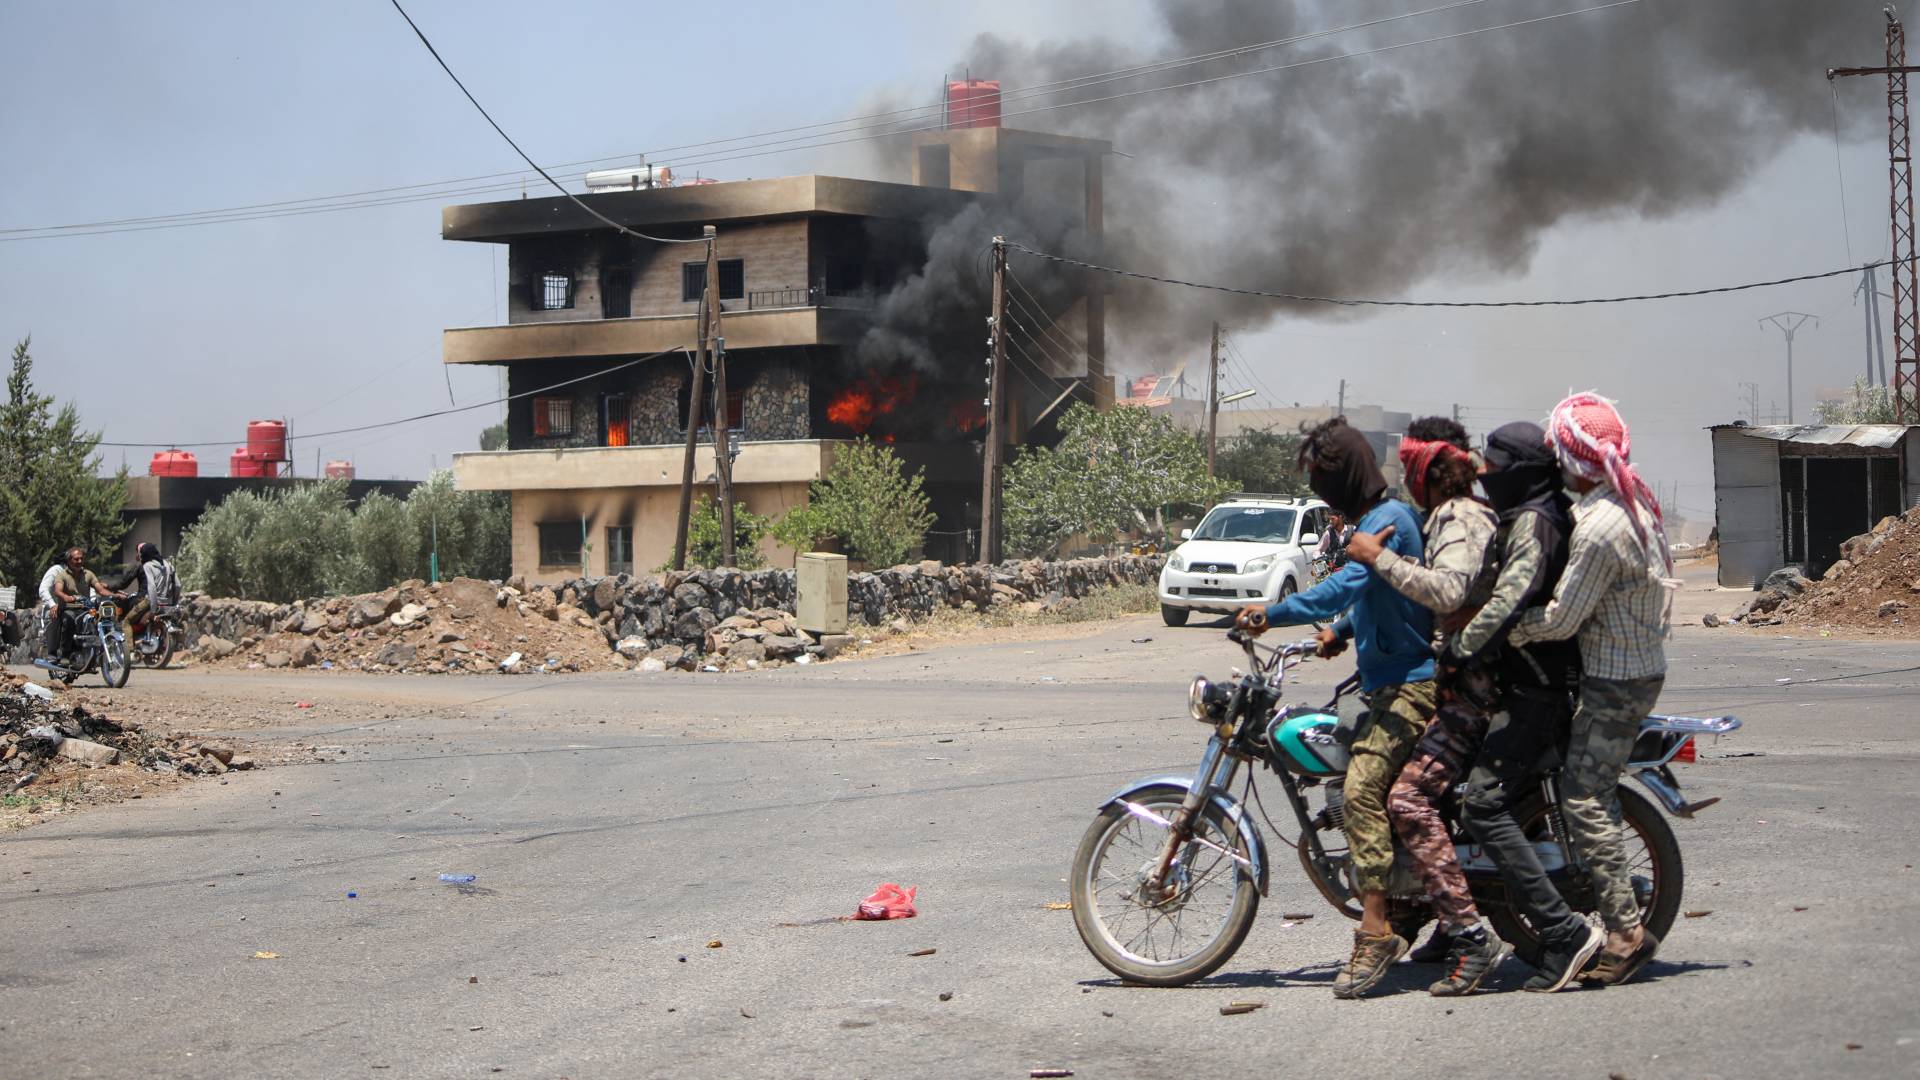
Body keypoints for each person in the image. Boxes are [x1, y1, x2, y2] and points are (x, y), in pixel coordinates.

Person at [1235, 417, 1437, 999]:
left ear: (1345, 476)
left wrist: (1270, 613)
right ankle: (1404, 903)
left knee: (1363, 794)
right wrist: (1341, 633)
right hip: (1382, 678)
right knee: (1340, 765)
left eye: (1324, 479)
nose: (1322, 493)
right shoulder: (1375, 521)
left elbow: (1349, 583)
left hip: (1409, 684)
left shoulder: (1388, 523)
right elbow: (1372, 596)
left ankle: (1374, 933)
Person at [1506, 392, 1674, 987]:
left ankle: (1626, 933)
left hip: (1615, 680)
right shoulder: (1632, 503)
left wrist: (1505, 627)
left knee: (1583, 796)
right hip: (1638, 666)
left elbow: (1562, 618)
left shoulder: (1600, 526)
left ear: (1573, 459)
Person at [1344, 417, 1503, 995]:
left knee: (1405, 799)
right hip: (1465, 678)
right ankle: (1432, 913)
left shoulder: (1459, 518)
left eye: (1410, 471)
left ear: (1426, 474)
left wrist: (1374, 558)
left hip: (1477, 688)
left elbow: (1450, 592)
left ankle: (1469, 935)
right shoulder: (1454, 516)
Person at [1444, 421, 1600, 993]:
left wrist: (1459, 649)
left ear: (1522, 471)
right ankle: (1446, 919)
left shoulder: (1536, 521)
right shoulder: (1533, 512)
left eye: (1495, 464)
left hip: (1537, 689)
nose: (1485, 473)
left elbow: (1509, 599)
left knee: (1482, 804)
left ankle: (1563, 934)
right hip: (1526, 682)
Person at [47, 546, 110, 661]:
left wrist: (115, 596)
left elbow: (100, 589)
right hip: (68, 608)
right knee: (69, 618)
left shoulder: (88, 574)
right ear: (69, 560)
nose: (79, 561)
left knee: (102, 618)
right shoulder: (62, 575)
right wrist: (66, 597)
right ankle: (65, 654)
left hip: (85, 609)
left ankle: (100, 650)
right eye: (76, 559)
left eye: (81, 559)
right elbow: (57, 590)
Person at [125, 542, 180, 642]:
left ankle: (130, 652)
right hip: (168, 603)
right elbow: (177, 585)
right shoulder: (168, 564)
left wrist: (153, 610)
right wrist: (173, 602)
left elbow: (152, 587)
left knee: (127, 621)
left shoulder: (148, 566)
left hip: (152, 601)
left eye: (141, 554)